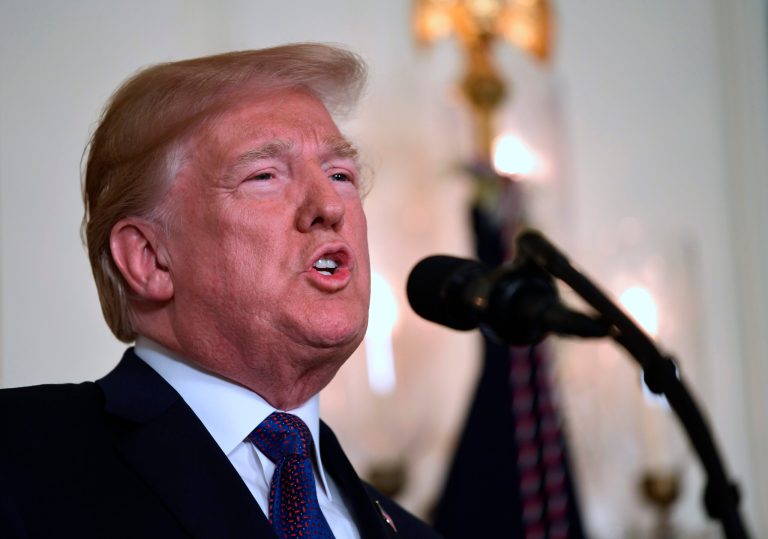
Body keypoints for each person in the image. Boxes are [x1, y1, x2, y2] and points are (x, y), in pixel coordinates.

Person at [0, 43, 443, 539]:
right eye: (264, 176)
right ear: (149, 258)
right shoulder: (18, 458)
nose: (330, 205)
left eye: (340, 174)